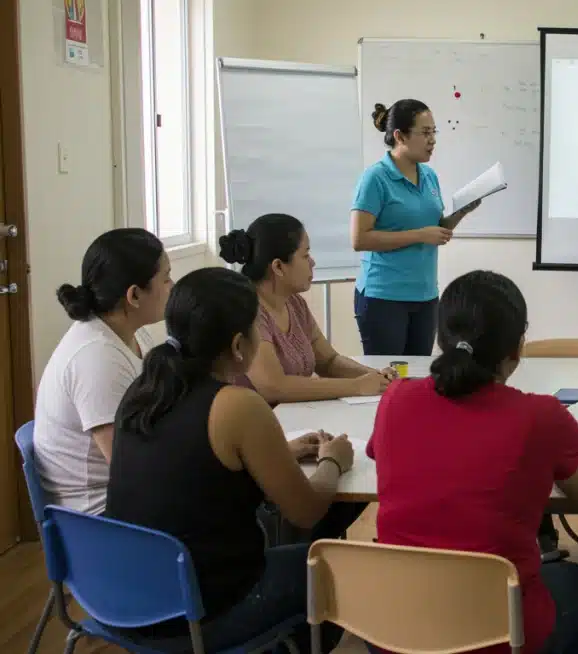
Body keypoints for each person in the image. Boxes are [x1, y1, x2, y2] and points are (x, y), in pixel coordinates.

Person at [105, 267, 353, 652]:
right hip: (196, 614)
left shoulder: (145, 389)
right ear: (239, 345)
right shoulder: (237, 405)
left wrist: (278, 453)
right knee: (330, 563)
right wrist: (333, 460)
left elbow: (192, 461)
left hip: (125, 598)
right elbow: (306, 510)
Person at [366, 270, 578, 654]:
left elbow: (389, 458)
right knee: (576, 583)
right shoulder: (540, 415)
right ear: (517, 348)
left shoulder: (395, 397)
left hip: (394, 634)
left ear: (439, 339)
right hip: (502, 637)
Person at [33, 228, 170, 515]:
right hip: (102, 518)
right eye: (166, 277)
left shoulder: (130, 333)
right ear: (134, 295)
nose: (173, 285)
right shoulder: (97, 358)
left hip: (128, 494)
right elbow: (130, 467)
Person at [350, 99, 481, 356]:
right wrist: (420, 235)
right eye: (425, 133)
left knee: (417, 379)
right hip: (384, 296)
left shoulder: (429, 175)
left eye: (434, 132)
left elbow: (437, 229)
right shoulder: (375, 178)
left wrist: (462, 211)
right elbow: (359, 239)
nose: (432, 140)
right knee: (390, 382)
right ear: (400, 136)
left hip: (425, 295)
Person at [219, 213, 394, 405]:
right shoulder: (248, 310)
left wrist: (375, 378)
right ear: (278, 266)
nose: (312, 262)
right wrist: (356, 386)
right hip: (255, 424)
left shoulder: (295, 303)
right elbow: (273, 386)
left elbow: (328, 361)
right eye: (305, 255)